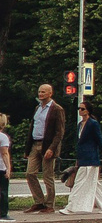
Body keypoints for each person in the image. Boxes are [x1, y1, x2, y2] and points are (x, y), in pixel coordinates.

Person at [65, 99, 102, 213]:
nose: (80, 111)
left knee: (79, 183)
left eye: (82, 109)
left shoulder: (93, 124)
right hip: (83, 158)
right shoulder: (80, 125)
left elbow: (99, 140)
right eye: (79, 108)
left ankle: (71, 207)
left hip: (91, 159)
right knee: (94, 184)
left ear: (88, 111)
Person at [25, 82, 63, 212]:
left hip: (47, 145)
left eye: (43, 92)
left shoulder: (56, 109)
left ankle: (49, 204)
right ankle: (39, 201)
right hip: (35, 144)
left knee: (48, 176)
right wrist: (27, 148)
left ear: (50, 93)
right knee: (30, 173)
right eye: (39, 91)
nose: (40, 94)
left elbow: (59, 132)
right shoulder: (38, 108)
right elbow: (33, 128)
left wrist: (51, 148)